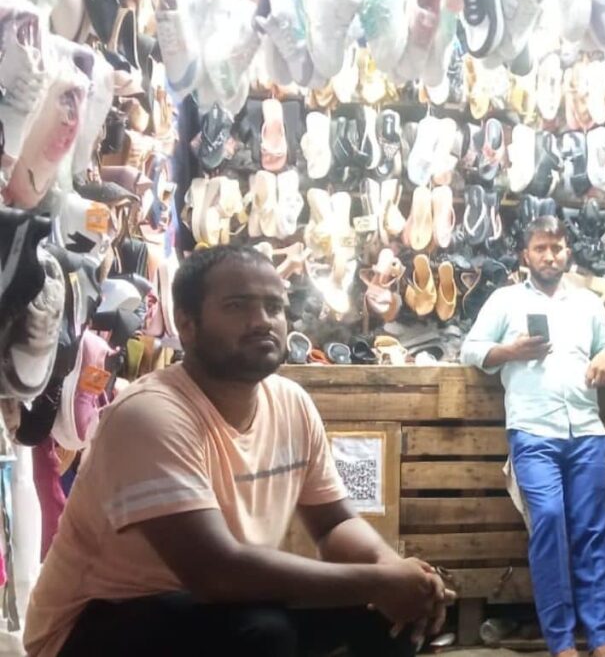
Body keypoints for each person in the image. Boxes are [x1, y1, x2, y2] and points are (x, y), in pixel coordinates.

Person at [25, 245, 451, 657]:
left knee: (386, 617)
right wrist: (377, 582)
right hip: (89, 630)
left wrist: (394, 574)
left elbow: (334, 524)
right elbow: (215, 572)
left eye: (274, 307)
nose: (263, 321)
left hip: (213, 608)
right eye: (237, 306)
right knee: (261, 633)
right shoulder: (150, 414)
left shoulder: (291, 402)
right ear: (187, 323)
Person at [461, 216, 605, 657]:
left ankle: (602, 637)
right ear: (525, 255)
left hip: (587, 430)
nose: (550, 256)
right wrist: (510, 351)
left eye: (556, 248)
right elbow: (471, 349)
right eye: (540, 248)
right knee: (550, 521)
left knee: (592, 530)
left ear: (567, 250)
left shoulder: (588, 302)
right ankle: (560, 641)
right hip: (533, 431)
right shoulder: (505, 299)